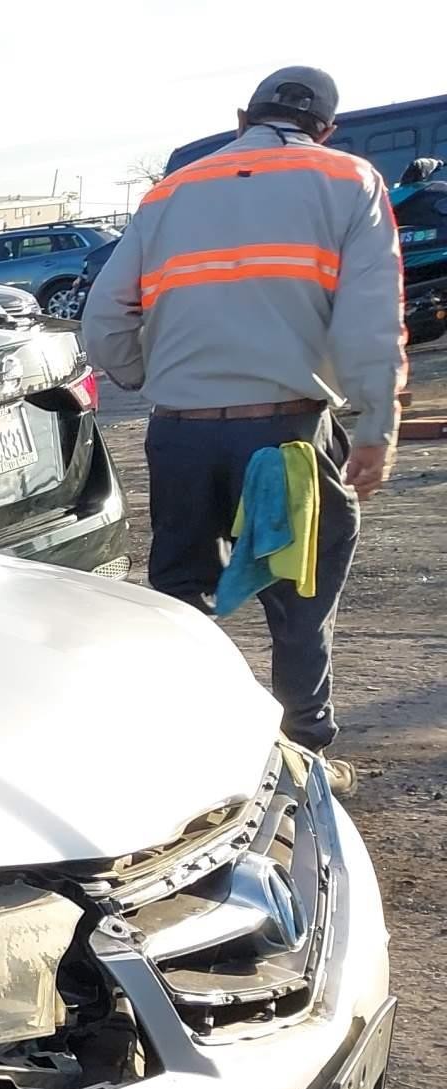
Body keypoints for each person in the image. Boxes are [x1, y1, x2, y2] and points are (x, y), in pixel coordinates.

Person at [81, 65, 406, 766]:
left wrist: (150, 377)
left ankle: (197, 754)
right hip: (286, 434)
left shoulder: (169, 194)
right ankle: (304, 754)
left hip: (181, 434)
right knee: (299, 600)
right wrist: (376, 429)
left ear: (241, 117)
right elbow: (370, 325)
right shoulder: (349, 181)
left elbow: (103, 320)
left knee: (179, 606)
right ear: (327, 129)